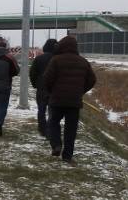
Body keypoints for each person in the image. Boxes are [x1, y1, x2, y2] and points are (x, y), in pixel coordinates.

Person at [42, 35, 97, 164]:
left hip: (57, 99)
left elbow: (47, 78)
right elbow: (92, 80)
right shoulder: (83, 62)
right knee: (71, 128)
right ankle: (67, 155)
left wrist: (52, 90)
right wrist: (80, 91)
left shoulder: (56, 60)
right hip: (74, 101)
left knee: (53, 121)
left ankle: (56, 144)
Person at [29, 38, 58, 137]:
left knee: (41, 110)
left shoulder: (39, 58)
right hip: (54, 89)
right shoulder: (58, 58)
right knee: (52, 111)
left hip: (41, 88)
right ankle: (51, 129)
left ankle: (42, 129)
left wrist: (35, 84)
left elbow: (32, 73)